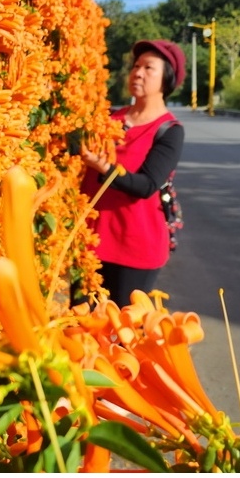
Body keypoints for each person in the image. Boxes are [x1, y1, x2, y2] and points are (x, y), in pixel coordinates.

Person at [76, 39, 186, 309]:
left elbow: (147, 185)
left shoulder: (169, 130)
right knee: (78, 328)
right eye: (136, 66)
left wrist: (102, 167)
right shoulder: (107, 119)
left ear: (166, 80)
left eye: (149, 68)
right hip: (89, 243)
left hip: (135, 249)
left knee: (122, 335)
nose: (138, 72)